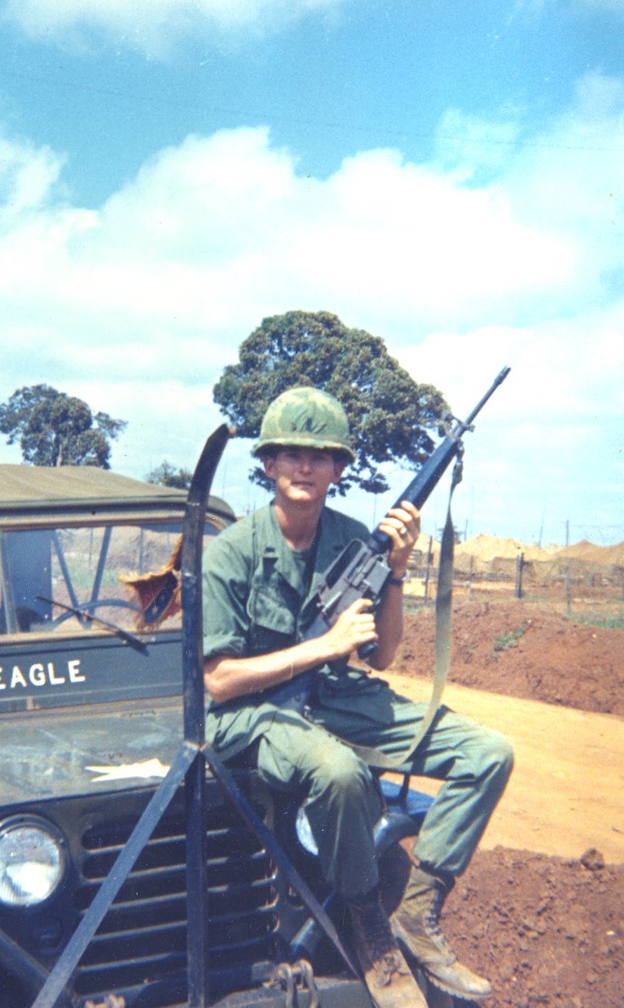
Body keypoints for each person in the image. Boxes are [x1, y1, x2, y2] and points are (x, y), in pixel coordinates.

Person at [202, 387, 513, 1008]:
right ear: (268, 464)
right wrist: (322, 647)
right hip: (252, 713)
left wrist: (396, 571)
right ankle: (369, 925)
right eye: (291, 454)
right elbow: (217, 680)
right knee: (340, 772)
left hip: (337, 697)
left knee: (488, 753)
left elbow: (383, 656)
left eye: (321, 457)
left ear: (339, 471)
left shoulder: (351, 541)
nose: (305, 468)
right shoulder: (231, 551)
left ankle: (418, 917)